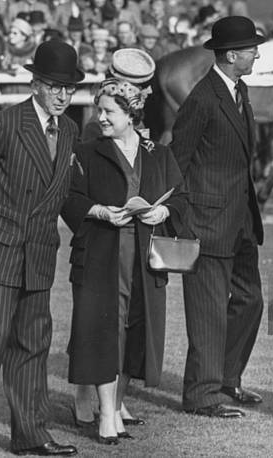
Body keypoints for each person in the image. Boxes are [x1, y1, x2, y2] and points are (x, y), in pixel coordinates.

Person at [0, 40, 84, 457]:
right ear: (36, 84)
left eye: (69, 88)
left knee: (32, 349)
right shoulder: (5, 123)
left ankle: (31, 436)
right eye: (55, 86)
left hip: (39, 257)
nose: (63, 95)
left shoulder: (71, 130)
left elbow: (59, 194)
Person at [61, 71, 187, 443]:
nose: (100, 117)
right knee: (103, 332)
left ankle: (115, 407)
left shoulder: (159, 154)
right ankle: (104, 417)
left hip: (145, 259)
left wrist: (162, 213)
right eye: (99, 110)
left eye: (109, 112)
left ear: (130, 115)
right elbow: (69, 198)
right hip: (102, 256)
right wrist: (99, 211)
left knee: (135, 333)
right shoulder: (87, 153)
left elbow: (181, 197)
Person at [170, 15, 265, 418]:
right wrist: (184, 221)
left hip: (240, 220)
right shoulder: (203, 98)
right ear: (230, 55)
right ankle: (202, 395)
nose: (256, 54)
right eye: (250, 49)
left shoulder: (238, 91)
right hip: (207, 224)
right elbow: (177, 161)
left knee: (251, 300)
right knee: (208, 313)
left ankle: (226, 378)